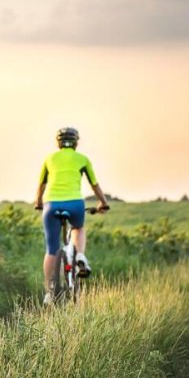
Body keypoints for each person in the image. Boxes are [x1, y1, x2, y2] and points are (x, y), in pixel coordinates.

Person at [33, 127, 109, 303]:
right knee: (78, 227)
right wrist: (103, 203)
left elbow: (41, 185)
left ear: (58, 142)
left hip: (51, 205)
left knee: (51, 249)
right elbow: (94, 185)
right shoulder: (83, 159)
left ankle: (49, 292)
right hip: (75, 203)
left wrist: (38, 202)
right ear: (76, 142)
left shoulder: (49, 158)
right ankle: (80, 255)